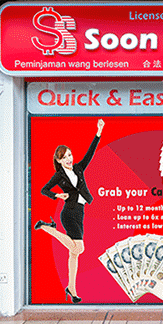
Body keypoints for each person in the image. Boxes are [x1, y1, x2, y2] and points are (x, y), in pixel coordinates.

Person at [34, 118, 104, 303]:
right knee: (79, 248)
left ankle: (71, 289)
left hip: (79, 211)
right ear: (59, 160)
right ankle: (47, 228)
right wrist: (57, 196)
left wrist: (98, 132)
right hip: (69, 213)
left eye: (70, 155)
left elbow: (90, 154)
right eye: (65, 157)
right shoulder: (59, 175)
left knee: (73, 254)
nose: (69, 159)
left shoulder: (79, 168)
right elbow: (44, 189)